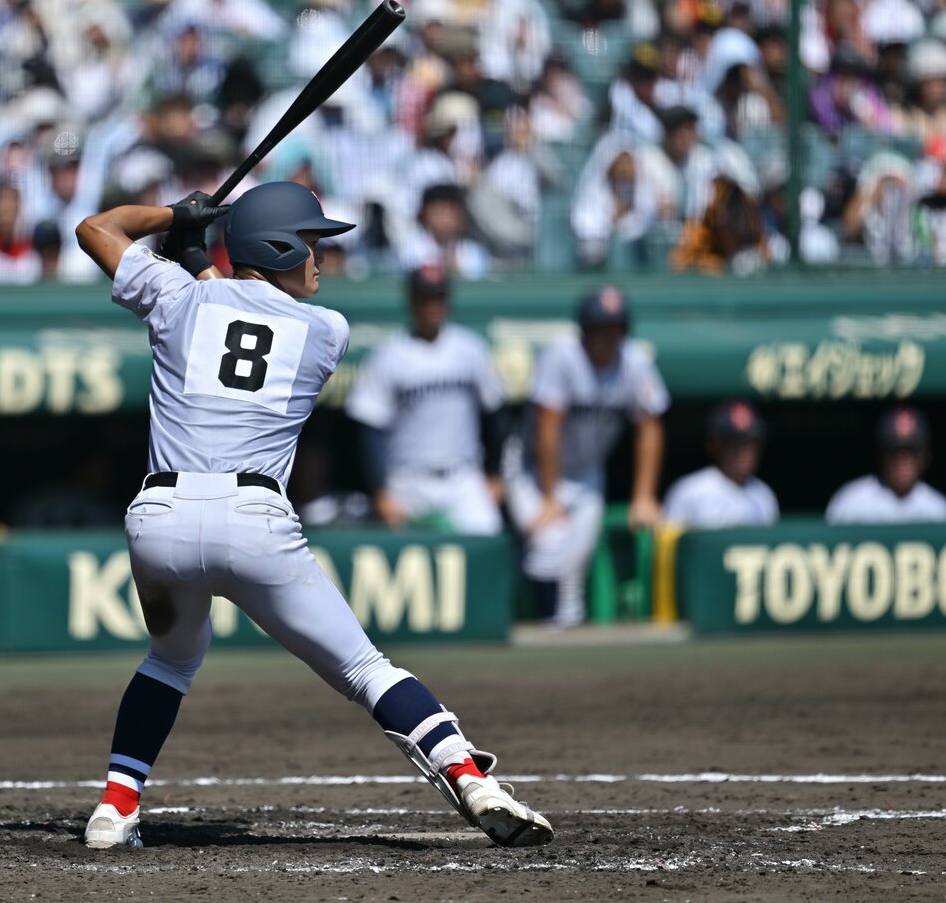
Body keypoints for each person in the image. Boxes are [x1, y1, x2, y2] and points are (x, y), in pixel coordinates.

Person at [72, 181, 553, 851]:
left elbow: (97, 229)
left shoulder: (181, 298)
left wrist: (175, 221)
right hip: (253, 520)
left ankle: (113, 810)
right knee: (365, 670)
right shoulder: (327, 331)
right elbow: (236, 307)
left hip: (160, 517)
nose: (321, 257)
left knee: (171, 661)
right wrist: (198, 247)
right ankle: (471, 779)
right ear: (276, 247)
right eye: (310, 242)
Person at [503, 287, 668, 628]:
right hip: (532, 467)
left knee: (577, 553)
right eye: (600, 327)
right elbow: (547, 431)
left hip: (587, 470)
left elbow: (650, 426)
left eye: (615, 327)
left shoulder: (634, 361)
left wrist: (644, 496)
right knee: (548, 544)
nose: (608, 337)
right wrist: (550, 498)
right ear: (585, 329)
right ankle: (536, 622)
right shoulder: (562, 356)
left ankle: (565, 630)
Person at [346, 264, 504, 534]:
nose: (433, 304)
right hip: (408, 479)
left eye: (439, 296)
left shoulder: (470, 349)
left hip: (462, 477)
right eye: (426, 297)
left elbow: (495, 415)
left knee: (486, 536)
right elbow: (369, 428)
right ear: (411, 300)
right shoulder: (389, 355)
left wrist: (495, 475)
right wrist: (380, 491)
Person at [826, 407, 946, 524]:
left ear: (926, 457)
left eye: (912, 451)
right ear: (881, 455)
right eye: (895, 451)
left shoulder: (938, 509)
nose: (903, 460)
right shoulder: (851, 502)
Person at [663, 400, 779, 529]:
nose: (746, 452)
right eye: (737, 443)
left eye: (751, 443)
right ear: (715, 445)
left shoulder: (764, 495)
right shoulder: (689, 492)